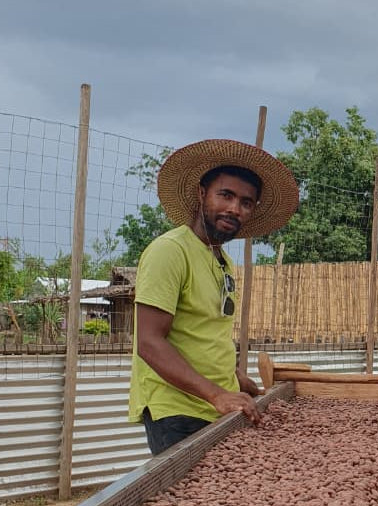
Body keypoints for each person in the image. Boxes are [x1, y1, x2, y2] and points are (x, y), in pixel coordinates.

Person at [128, 139, 299, 455]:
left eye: (246, 203)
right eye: (226, 195)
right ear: (200, 194)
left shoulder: (223, 262)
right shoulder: (171, 251)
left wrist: (234, 379)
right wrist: (216, 394)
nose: (235, 208)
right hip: (178, 411)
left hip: (216, 405)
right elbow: (149, 342)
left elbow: (202, 332)